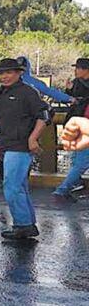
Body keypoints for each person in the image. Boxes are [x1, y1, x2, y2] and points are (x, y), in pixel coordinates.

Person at [0, 58, 49, 240]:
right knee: (20, 187)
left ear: (19, 73)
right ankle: (27, 224)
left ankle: (23, 225)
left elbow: (44, 115)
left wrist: (33, 139)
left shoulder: (27, 92)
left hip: (21, 145)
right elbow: (1, 121)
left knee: (12, 187)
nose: (4, 76)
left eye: (9, 73)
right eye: (2, 73)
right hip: (8, 144)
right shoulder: (2, 93)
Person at [53, 58, 89, 202]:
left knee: (78, 160)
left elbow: (70, 100)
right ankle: (63, 189)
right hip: (80, 123)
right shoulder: (77, 83)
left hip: (76, 122)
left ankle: (73, 184)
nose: (75, 70)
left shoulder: (78, 83)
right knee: (80, 161)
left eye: (78, 68)